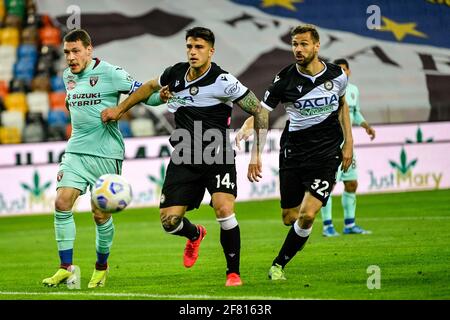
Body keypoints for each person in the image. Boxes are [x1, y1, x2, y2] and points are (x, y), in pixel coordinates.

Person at [101, 27, 269, 286]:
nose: (193, 51)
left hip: (217, 156)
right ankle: (195, 235)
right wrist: (120, 109)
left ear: (211, 51)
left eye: (199, 47)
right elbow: (147, 87)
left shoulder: (224, 81)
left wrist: (256, 155)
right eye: (189, 46)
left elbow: (260, 112)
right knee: (169, 222)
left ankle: (233, 272)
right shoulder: (175, 73)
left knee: (224, 209)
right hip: (184, 157)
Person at [42, 29, 166, 288]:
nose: (71, 57)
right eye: (67, 52)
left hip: (106, 153)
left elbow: (143, 93)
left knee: (100, 215)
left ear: (89, 49)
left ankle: (101, 267)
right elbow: (73, 106)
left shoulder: (111, 73)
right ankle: (65, 267)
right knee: (62, 202)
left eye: (76, 51)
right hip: (76, 151)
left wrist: (159, 96)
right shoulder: (67, 77)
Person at [237, 24, 353, 281]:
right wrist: (255, 152)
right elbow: (261, 112)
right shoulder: (284, 79)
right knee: (290, 217)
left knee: (308, 213)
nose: (298, 49)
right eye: (294, 45)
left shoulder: (337, 75)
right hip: (294, 152)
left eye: (303, 44)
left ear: (316, 46)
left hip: (326, 154)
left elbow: (343, 106)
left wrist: (349, 144)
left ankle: (278, 264)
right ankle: (300, 229)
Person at [320, 58, 375, 237]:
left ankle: (349, 224)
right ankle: (327, 226)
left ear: (349, 72)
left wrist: (365, 125)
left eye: (345, 69)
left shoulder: (353, 91)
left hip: (348, 146)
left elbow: (355, 112)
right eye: (339, 69)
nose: (342, 72)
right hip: (331, 145)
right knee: (327, 185)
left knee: (351, 183)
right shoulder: (326, 90)